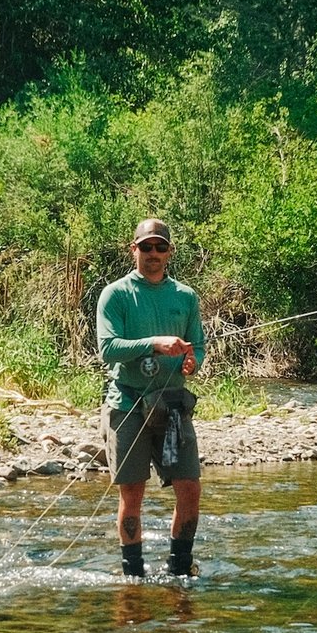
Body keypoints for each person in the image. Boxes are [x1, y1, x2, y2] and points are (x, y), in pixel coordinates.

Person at [96, 217, 205, 577]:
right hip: (127, 406)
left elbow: (199, 348)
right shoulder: (115, 294)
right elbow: (108, 349)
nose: (153, 253)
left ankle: (179, 569)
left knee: (189, 490)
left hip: (172, 408)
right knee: (133, 495)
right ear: (134, 250)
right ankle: (134, 574)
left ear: (170, 252)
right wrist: (154, 344)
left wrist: (192, 362)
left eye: (160, 247)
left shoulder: (186, 297)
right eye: (146, 247)